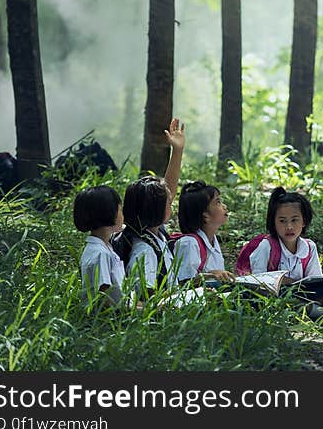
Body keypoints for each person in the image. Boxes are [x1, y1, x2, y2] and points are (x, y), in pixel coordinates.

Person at [122, 118, 186, 296]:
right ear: (156, 210)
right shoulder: (144, 251)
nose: (171, 199)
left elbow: (167, 191)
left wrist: (177, 151)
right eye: (168, 201)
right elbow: (145, 295)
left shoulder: (152, 232)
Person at [241, 187, 323, 281]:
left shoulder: (309, 248)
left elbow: (315, 281)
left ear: (304, 221)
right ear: (274, 222)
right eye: (282, 221)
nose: (289, 227)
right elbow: (257, 281)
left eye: (294, 220)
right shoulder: (266, 247)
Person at [172, 180, 235, 285]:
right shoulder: (189, 244)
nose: (224, 206)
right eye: (218, 202)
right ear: (205, 216)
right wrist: (211, 275)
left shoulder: (213, 240)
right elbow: (183, 284)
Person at [74, 185, 126, 307]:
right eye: (120, 210)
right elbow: (105, 299)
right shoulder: (100, 253)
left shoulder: (104, 247)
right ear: (109, 213)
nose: (123, 216)